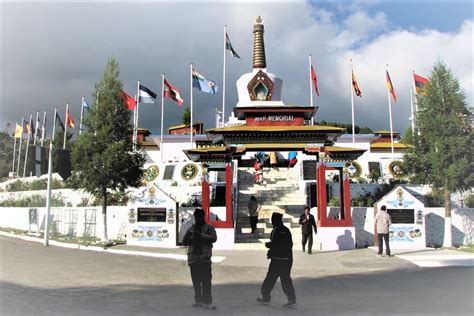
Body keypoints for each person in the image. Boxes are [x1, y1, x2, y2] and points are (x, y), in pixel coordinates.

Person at [257, 212, 296, 308]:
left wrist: (269, 245)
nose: (272, 221)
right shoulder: (286, 230)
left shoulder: (276, 230)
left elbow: (275, 244)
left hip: (277, 260)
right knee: (286, 280)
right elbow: (289, 244)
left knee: (270, 279)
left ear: (275, 220)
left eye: (273, 219)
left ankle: (266, 298)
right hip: (287, 259)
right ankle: (292, 300)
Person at [182, 208, 218, 309]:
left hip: (204, 258)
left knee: (206, 281)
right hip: (194, 258)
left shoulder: (209, 228)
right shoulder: (191, 229)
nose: (198, 219)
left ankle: (207, 301)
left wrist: (201, 236)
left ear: (203, 217)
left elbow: (214, 238)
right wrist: (192, 235)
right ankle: (198, 300)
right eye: (196, 217)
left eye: (199, 217)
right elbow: (185, 241)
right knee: (196, 281)